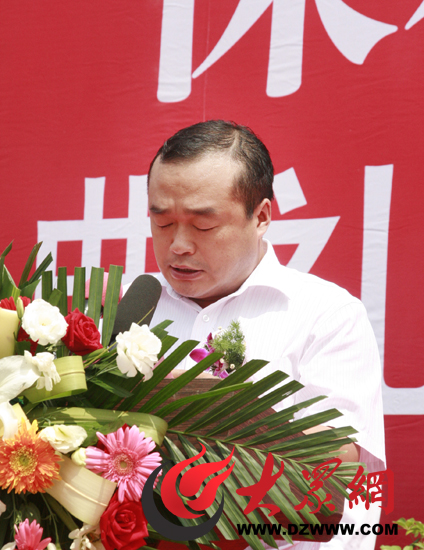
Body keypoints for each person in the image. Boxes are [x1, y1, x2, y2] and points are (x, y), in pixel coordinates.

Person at [146, 120, 386, 550]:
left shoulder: (326, 316)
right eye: (162, 222)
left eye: (203, 226)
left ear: (261, 217)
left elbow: (342, 476)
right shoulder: (124, 307)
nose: (178, 245)